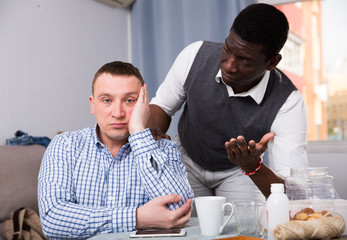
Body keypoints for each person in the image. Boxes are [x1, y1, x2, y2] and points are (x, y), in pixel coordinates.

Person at [148, 3, 308, 205]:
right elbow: (162, 106)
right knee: (182, 226)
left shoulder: (288, 102)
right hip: (186, 159)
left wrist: (252, 166)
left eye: (245, 61)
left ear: (272, 63)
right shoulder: (195, 55)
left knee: (245, 230)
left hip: (240, 171)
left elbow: (294, 193)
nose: (229, 65)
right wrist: (152, 136)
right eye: (227, 49)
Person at [38, 61, 194, 239]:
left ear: (143, 105)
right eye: (107, 100)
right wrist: (137, 217)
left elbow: (179, 211)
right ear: (92, 104)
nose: (118, 113)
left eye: (129, 100)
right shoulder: (64, 145)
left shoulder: (165, 149)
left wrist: (138, 132)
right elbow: (52, 219)